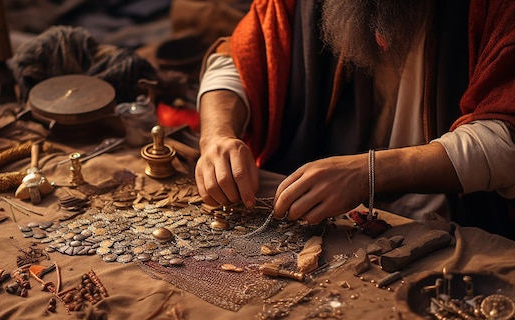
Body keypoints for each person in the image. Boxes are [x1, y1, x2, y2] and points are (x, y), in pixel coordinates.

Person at [194, 0, 515, 238]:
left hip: (449, 229)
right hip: (326, 223)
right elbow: (241, 58)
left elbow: (506, 137)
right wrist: (218, 137)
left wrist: (368, 174)